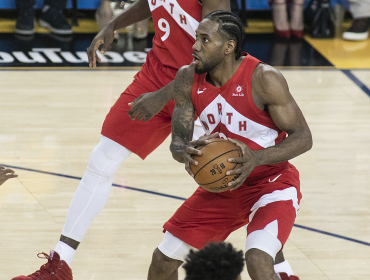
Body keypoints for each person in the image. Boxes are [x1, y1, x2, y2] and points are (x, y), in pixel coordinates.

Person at [11, 1, 231, 280]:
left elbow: (222, 51)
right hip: (157, 73)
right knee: (101, 161)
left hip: (204, 84)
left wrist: (165, 96)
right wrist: (113, 23)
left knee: (233, 177)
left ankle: (276, 265)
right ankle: (59, 266)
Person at [146, 10, 311, 280]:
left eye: (205, 40)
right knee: (162, 261)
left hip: (271, 184)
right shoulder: (187, 78)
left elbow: (303, 137)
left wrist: (255, 159)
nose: (195, 46)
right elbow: (178, 140)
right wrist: (183, 151)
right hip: (223, 186)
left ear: (228, 47)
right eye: (196, 38)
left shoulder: (264, 79)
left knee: (258, 259)